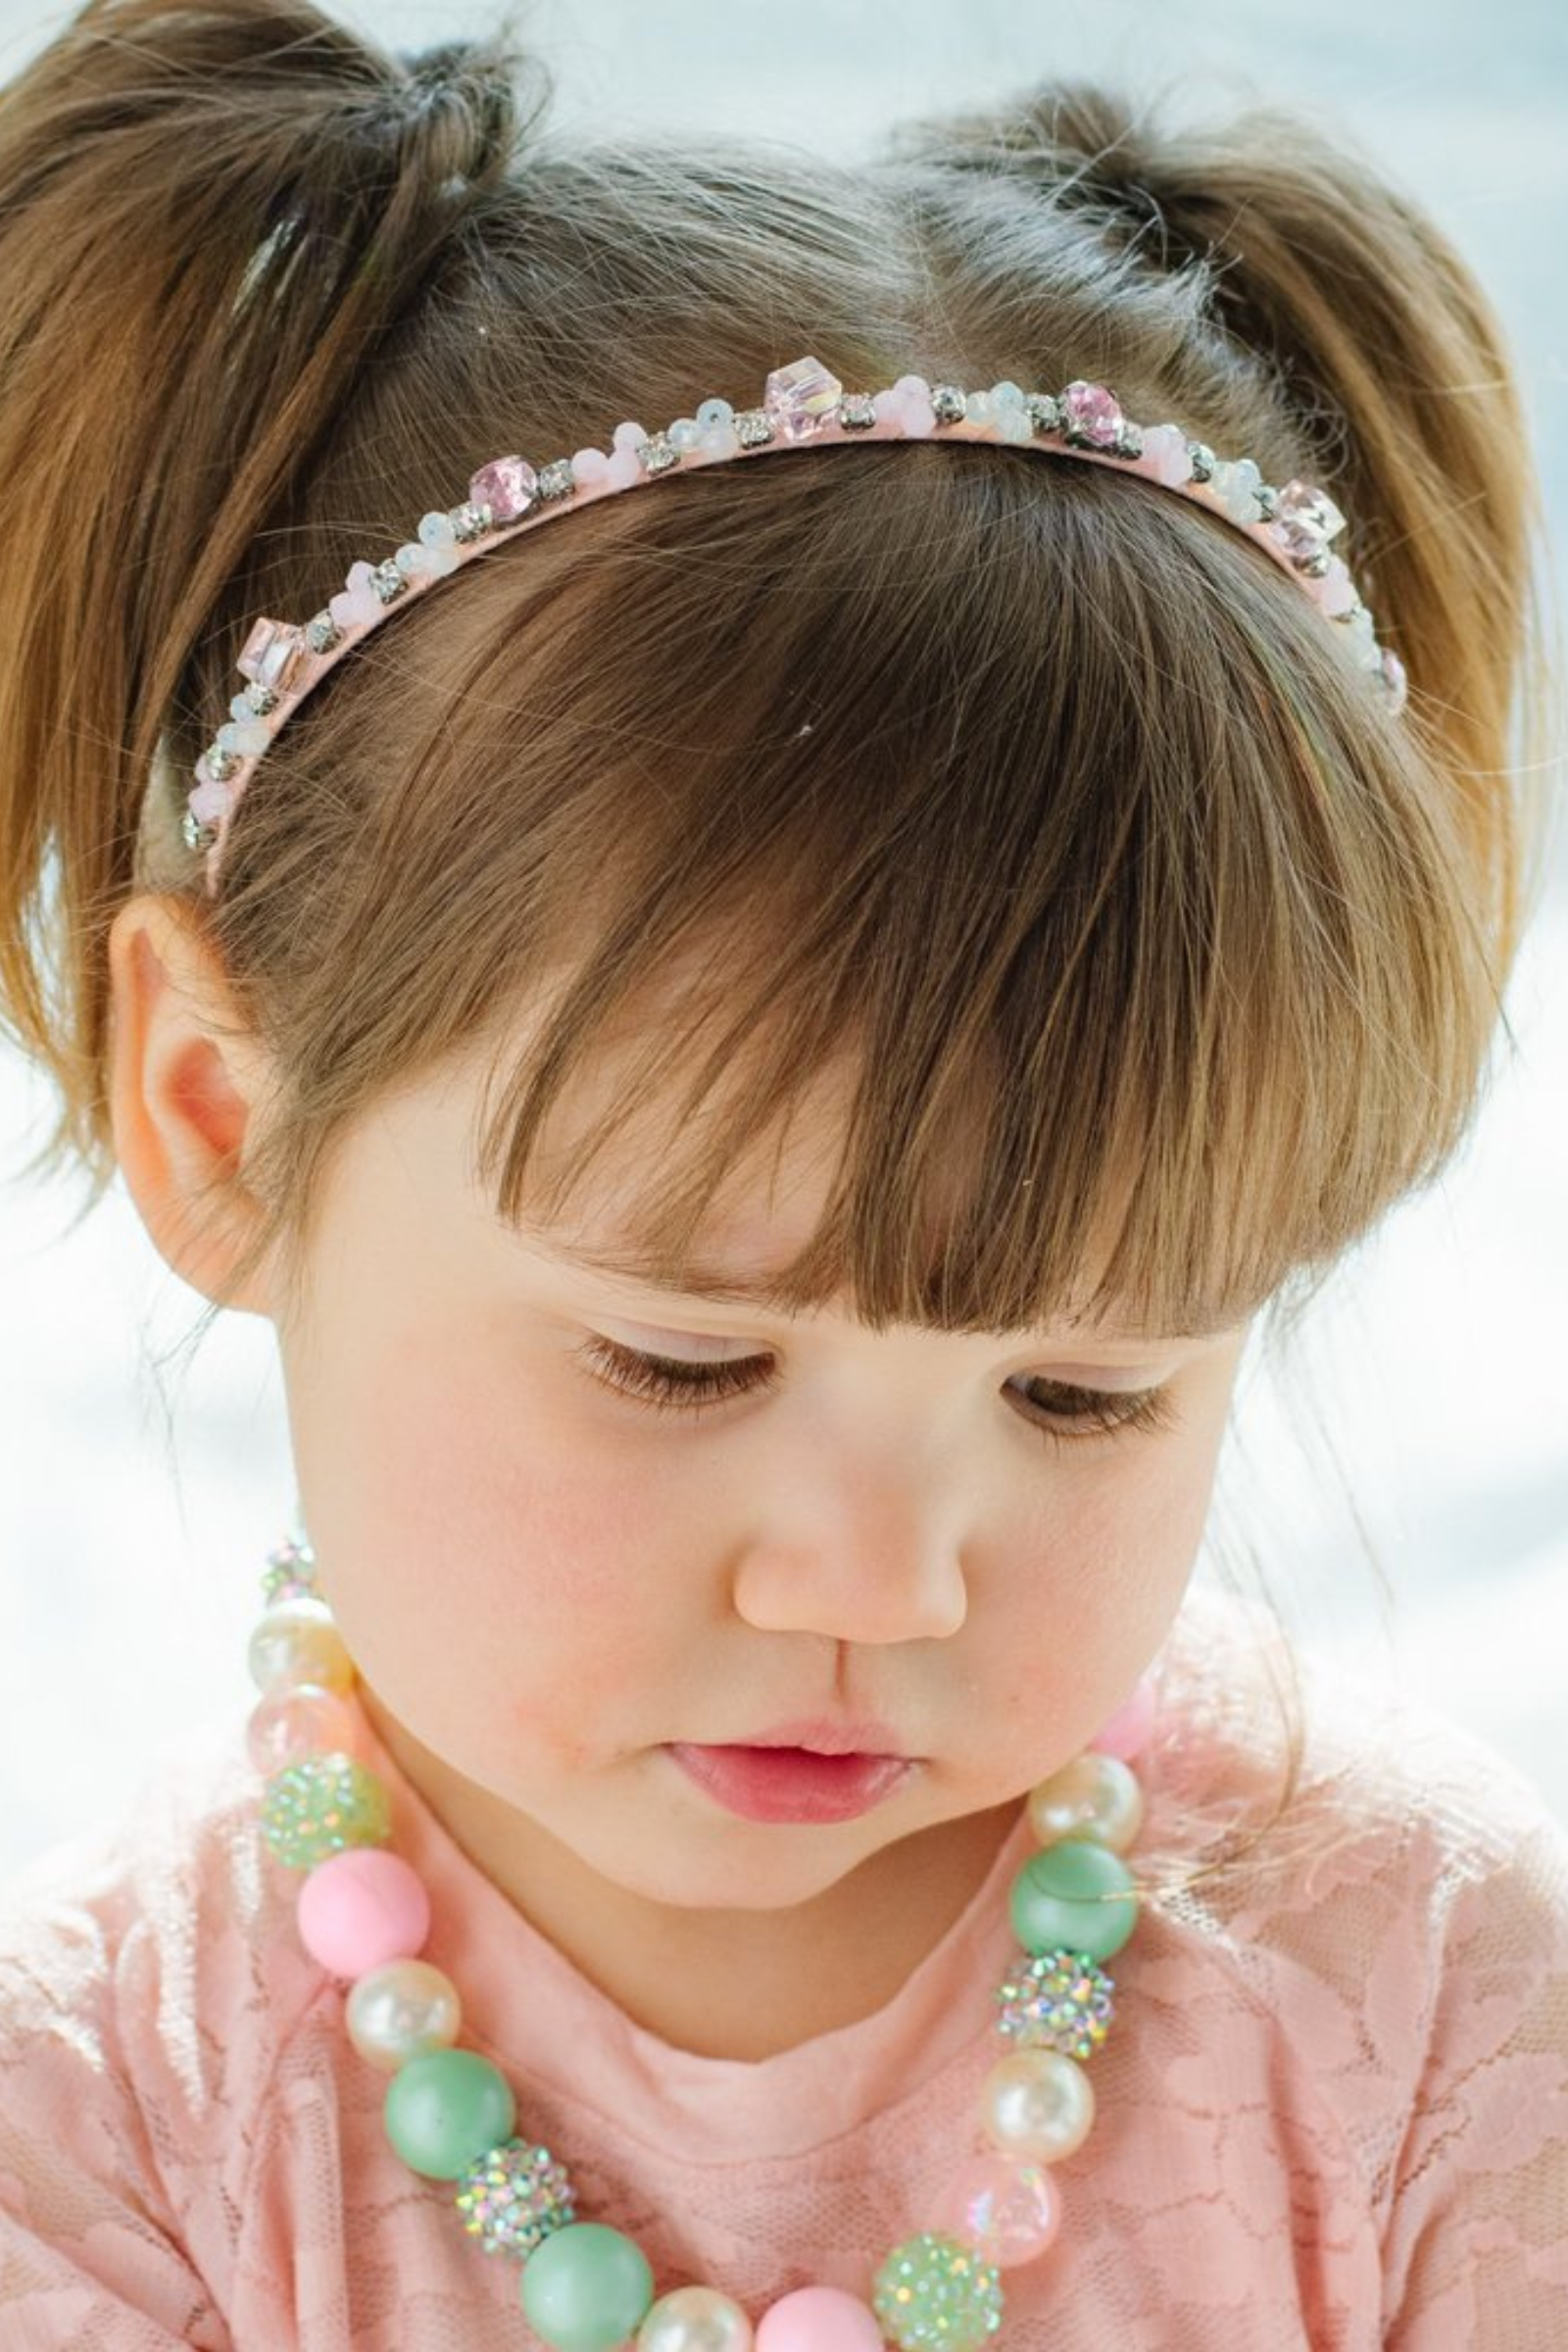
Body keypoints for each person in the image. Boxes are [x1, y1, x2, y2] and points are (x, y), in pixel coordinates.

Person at [0, 0, 1564, 2343]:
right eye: (680, 1356)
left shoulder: (1430, 2028)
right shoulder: (112, 2132)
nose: (887, 1579)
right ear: (220, 1112)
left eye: (1083, 1397)